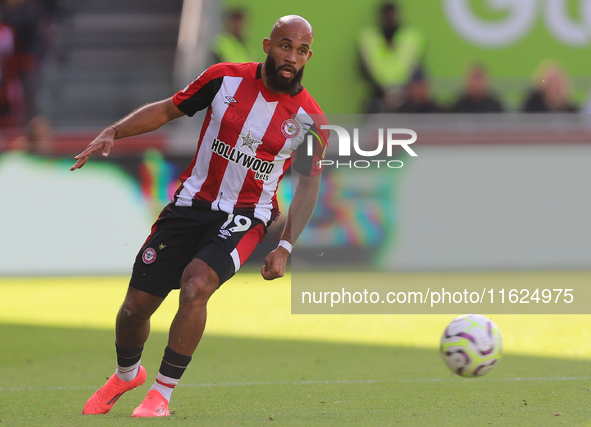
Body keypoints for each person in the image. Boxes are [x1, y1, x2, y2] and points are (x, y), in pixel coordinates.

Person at [71, 15, 328, 418]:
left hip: (246, 215)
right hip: (190, 206)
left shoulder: (311, 121)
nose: (290, 57)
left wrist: (285, 245)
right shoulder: (223, 78)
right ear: (267, 44)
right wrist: (115, 132)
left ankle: (161, 395)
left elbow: (309, 184)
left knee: (197, 285)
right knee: (135, 308)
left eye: (300, 50)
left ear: (308, 55)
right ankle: (126, 374)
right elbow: (169, 110)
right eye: (284, 45)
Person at [358, 2, 425, 113]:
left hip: (406, 96)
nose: (389, 18)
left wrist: (402, 91)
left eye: (392, 14)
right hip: (376, 95)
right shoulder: (368, 37)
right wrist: (382, 91)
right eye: (386, 15)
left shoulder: (412, 36)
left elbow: (417, 67)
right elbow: (363, 69)